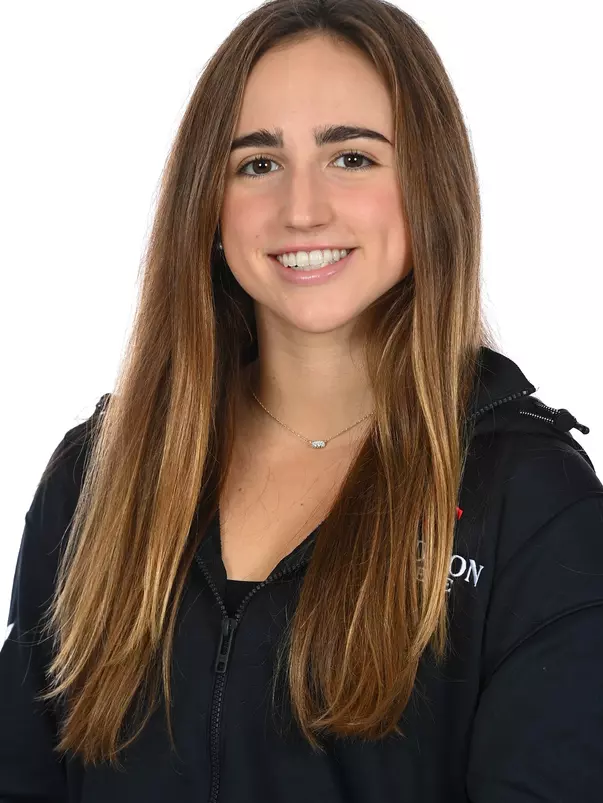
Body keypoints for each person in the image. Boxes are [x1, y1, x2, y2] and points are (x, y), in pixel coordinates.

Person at [1, 0, 602, 800]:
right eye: (257, 164)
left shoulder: (531, 501)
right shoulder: (100, 475)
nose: (301, 207)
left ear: (429, 188)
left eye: (351, 157)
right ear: (207, 210)